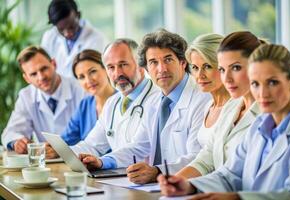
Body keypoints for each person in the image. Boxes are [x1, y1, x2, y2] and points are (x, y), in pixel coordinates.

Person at [158, 44, 290, 200]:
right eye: (255, 84)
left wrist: (237, 198)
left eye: (272, 82)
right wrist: (190, 186)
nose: (262, 93)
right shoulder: (259, 127)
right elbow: (229, 175)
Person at [79, 29, 211, 184]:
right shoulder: (156, 101)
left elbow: (198, 157)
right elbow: (139, 146)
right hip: (159, 187)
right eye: (153, 62)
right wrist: (103, 162)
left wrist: (157, 172)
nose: (161, 69)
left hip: (189, 187)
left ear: (183, 63)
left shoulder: (201, 98)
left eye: (168, 59)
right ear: (146, 68)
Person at [174, 31, 262, 179]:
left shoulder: (268, 114)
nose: (227, 78)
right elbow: (207, 157)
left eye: (235, 68)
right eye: (222, 69)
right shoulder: (231, 107)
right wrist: (175, 181)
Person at [69, 38, 159, 157]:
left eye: (123, 64)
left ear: (141, 65)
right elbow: (91, 145)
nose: (117, 73)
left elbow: (139, 150)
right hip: (119, 174)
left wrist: (102, 162)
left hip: (149, 174)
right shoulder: (112, 103)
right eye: (111, 67)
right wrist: (62, 153)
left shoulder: (157, 98)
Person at [1, 46, 84, 155]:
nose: (41, 77)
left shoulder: (81, 89)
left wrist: (62, 151)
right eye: (33, 74)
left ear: (54, 64)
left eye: (44, 69)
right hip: (46, 163)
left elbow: (92, 137)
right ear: (27, 78)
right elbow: (11, 132)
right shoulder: (26, 96)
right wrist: (17, 142)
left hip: (80, 159)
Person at [184, 33, 230, 150]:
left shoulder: (237, 108)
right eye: (195, 68)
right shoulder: (208, 106)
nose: (200, 75)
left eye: (207, 66)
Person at [41, 0, 107, 78]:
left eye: (71, 27)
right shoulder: (49, 37)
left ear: (78, 15)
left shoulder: (97, 39)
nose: (68, 33)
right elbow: (43, 66)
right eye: (61, 29)